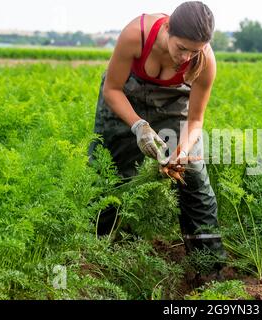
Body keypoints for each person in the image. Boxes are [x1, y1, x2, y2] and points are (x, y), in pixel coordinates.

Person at [87, 1, 226, 273]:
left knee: (194, 176)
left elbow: (195, 120)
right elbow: (112, 89)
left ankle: (209, 270)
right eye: (181, 48)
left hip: (173, 103)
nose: (186, 57)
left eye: (194, 51)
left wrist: (182, 151)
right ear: (166, 28)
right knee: (108, 171)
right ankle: (95, 257)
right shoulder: (135, 34)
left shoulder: (205, 61)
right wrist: (139, 126)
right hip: (125, 98)